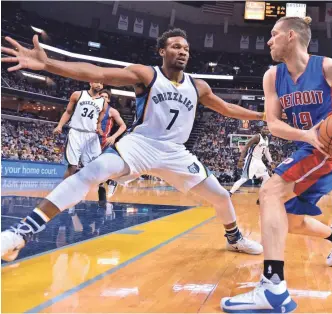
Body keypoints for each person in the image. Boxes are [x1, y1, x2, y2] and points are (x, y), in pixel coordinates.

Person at [0, 29, 264, 262]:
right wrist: (48, 65)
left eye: (185, 48)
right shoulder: (146, 74)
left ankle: (234, 239)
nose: (182, 51)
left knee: (220, 196)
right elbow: (98, 72)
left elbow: (227, 108)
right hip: (140, 144)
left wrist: (262, 116)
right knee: (90, 173)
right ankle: (20, 234)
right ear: (162, 50)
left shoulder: (199, 86)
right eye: (175, 46)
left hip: (175, 152)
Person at [220, 16, 332, 313]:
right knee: (288, 221)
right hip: (308, 144)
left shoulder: (329, 67)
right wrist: (305, 134)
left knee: (270, 192)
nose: (268, 41)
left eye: (273, 35)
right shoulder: (272, 77)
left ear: (291, 36)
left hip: (330, 149)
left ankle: (273, 287)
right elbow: (274, 124)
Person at [53, 82, 106, 178]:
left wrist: (99, 129)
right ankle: (64, 191)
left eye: (101, 83)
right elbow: (68, 112)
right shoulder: (78, 94)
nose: (99, 85)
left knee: (94, 166)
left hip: (91, 135)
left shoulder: (103, 102)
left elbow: (98, 121)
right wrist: (60, 125)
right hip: (76, 132)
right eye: (97, 82)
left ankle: (85, 190)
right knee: (73, 166)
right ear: (91, 82)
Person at [230, 126, 274, 204]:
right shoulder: (257, 137)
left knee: (267, 178)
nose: (266, 130)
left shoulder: (267, 139)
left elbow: (266, 151)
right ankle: (229, 193)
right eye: (264, 128)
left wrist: (271, 162)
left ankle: (260, 197)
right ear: (261, 130)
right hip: (252, 160)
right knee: (244, 179)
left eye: (267, 129)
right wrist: (241, 159)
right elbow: (246, 147)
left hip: (259, 161)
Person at [97, 89, 126, 203]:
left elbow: (123, 126)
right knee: (96, 170)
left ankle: (112, 182)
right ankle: (103, 196)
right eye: (101, 96)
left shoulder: (112, 111)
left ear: (108, 99)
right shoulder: (94, 109)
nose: (103, 98)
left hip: (105, 142)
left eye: (105, 96)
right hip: (93, 142)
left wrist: (113, 137)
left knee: (104, 167)